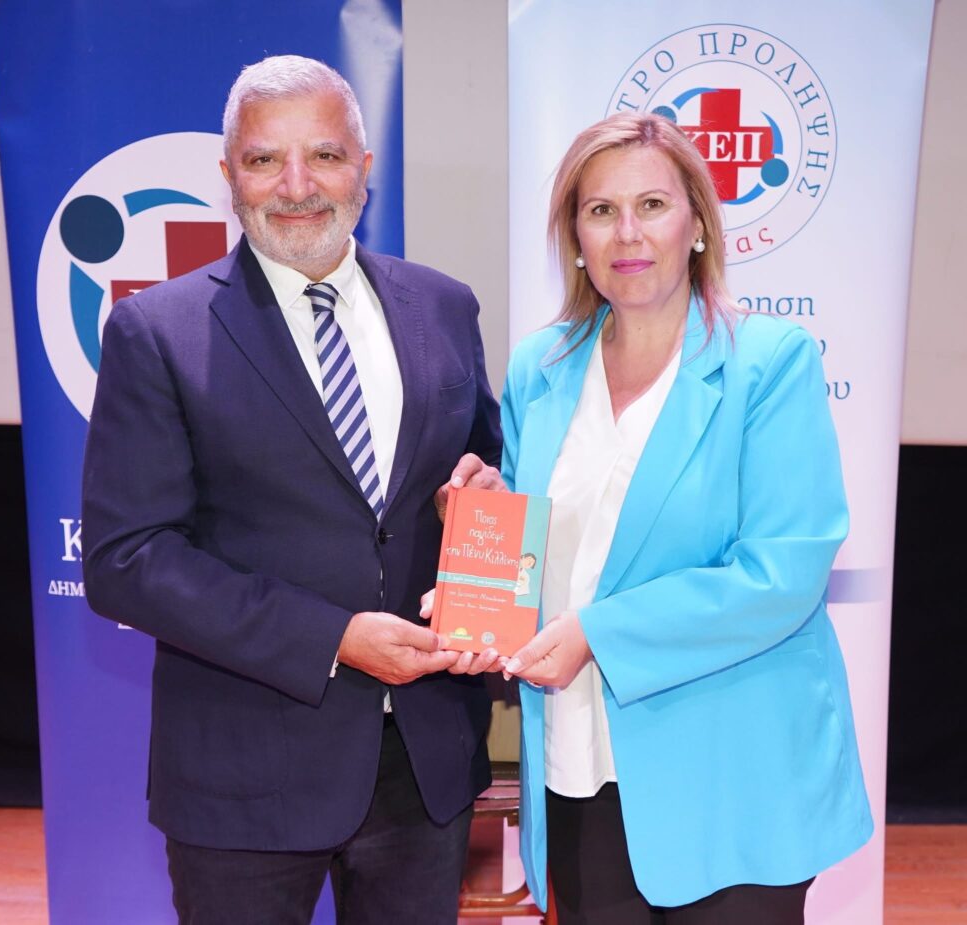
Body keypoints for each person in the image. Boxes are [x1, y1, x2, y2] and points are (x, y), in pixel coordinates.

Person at [81, 55, 503, 925]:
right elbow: (127, 561)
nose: (298, 185)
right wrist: (334, 638)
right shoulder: (156, 332)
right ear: (229, 176)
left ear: (364, 168)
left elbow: (481, 467)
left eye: (325, 155)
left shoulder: (444, 306)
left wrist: (484, 489)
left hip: (424, 767)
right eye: (265, 159)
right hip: (243, 776)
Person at [498, 112, 873, 923]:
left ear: (697, 224)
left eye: (652, 206)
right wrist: (476, 546)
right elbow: (532, 539)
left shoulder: (769, 362)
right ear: (575, 237)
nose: (628, 233)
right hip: (579, 761)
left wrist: (597, 632)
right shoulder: (539, 367)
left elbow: (780, 574)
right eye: (601, 210)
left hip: (735, 776)